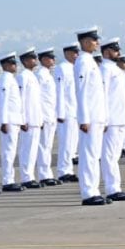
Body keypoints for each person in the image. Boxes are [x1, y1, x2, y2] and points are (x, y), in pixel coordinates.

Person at [74, 26, 109, 205]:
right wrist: (84, 118)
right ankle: (88, 192)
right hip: (90, 118)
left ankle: (94, 190)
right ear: (86, 42)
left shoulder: (90, 61)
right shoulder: (82, 62)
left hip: (97, 116)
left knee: (94, 155)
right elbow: (81, 92)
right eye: (95, 40)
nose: (97, 43)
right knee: (88, 155)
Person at [99, 37, 125, 201]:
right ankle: (112, 189)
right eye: (115, 49)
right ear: (106, 51)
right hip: (111, 119)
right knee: (109, 155)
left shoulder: (116, 69)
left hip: (119, 118)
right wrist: (104, 118)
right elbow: (102, 95)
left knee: (115, 155)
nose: (118, 52)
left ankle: (115, 187)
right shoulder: (105, 69)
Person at [0, 52, 25, 193]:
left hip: (14, 120)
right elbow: (3, 102)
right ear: (6, 65)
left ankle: (11, 179)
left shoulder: (10, 79)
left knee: (12, 151)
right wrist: (3, 121)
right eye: (12, 63)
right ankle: (7, 180)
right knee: (8, 151)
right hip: (9, 121)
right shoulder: (5, 80)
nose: (15, 65)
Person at [16, 48, 44, 189]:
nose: (35, 60)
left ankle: (30, 176)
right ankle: (26, 177)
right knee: (27, 149)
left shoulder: (32, 76)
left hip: (35, 119)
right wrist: (22, 119)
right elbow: (20, 99)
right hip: (28, 119)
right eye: (32, 58)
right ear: (25, 61)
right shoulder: (23, 77)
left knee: (33, 150)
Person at [54, 44, 79, 183]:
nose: (76, 55)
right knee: (66, 143)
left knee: (72, 143)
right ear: (67, 53)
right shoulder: (62, 68)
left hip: (74, 111)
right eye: (74, 53)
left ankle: (68, 169)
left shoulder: (74, 68)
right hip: (67, 112)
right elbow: (60, 92)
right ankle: (63, 171)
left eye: (77, 52)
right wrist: (61, 113)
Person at [34, 48, 59, 185]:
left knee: (48, 146)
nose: (53, 60)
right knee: (43, 146)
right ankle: (44, 174)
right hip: (44, 115)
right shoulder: (40, 75)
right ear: (43, 59)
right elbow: (37, 98)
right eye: (50, 57)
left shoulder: (48, 75)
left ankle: (47, 172)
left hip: (50, 114)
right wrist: (40, 116)